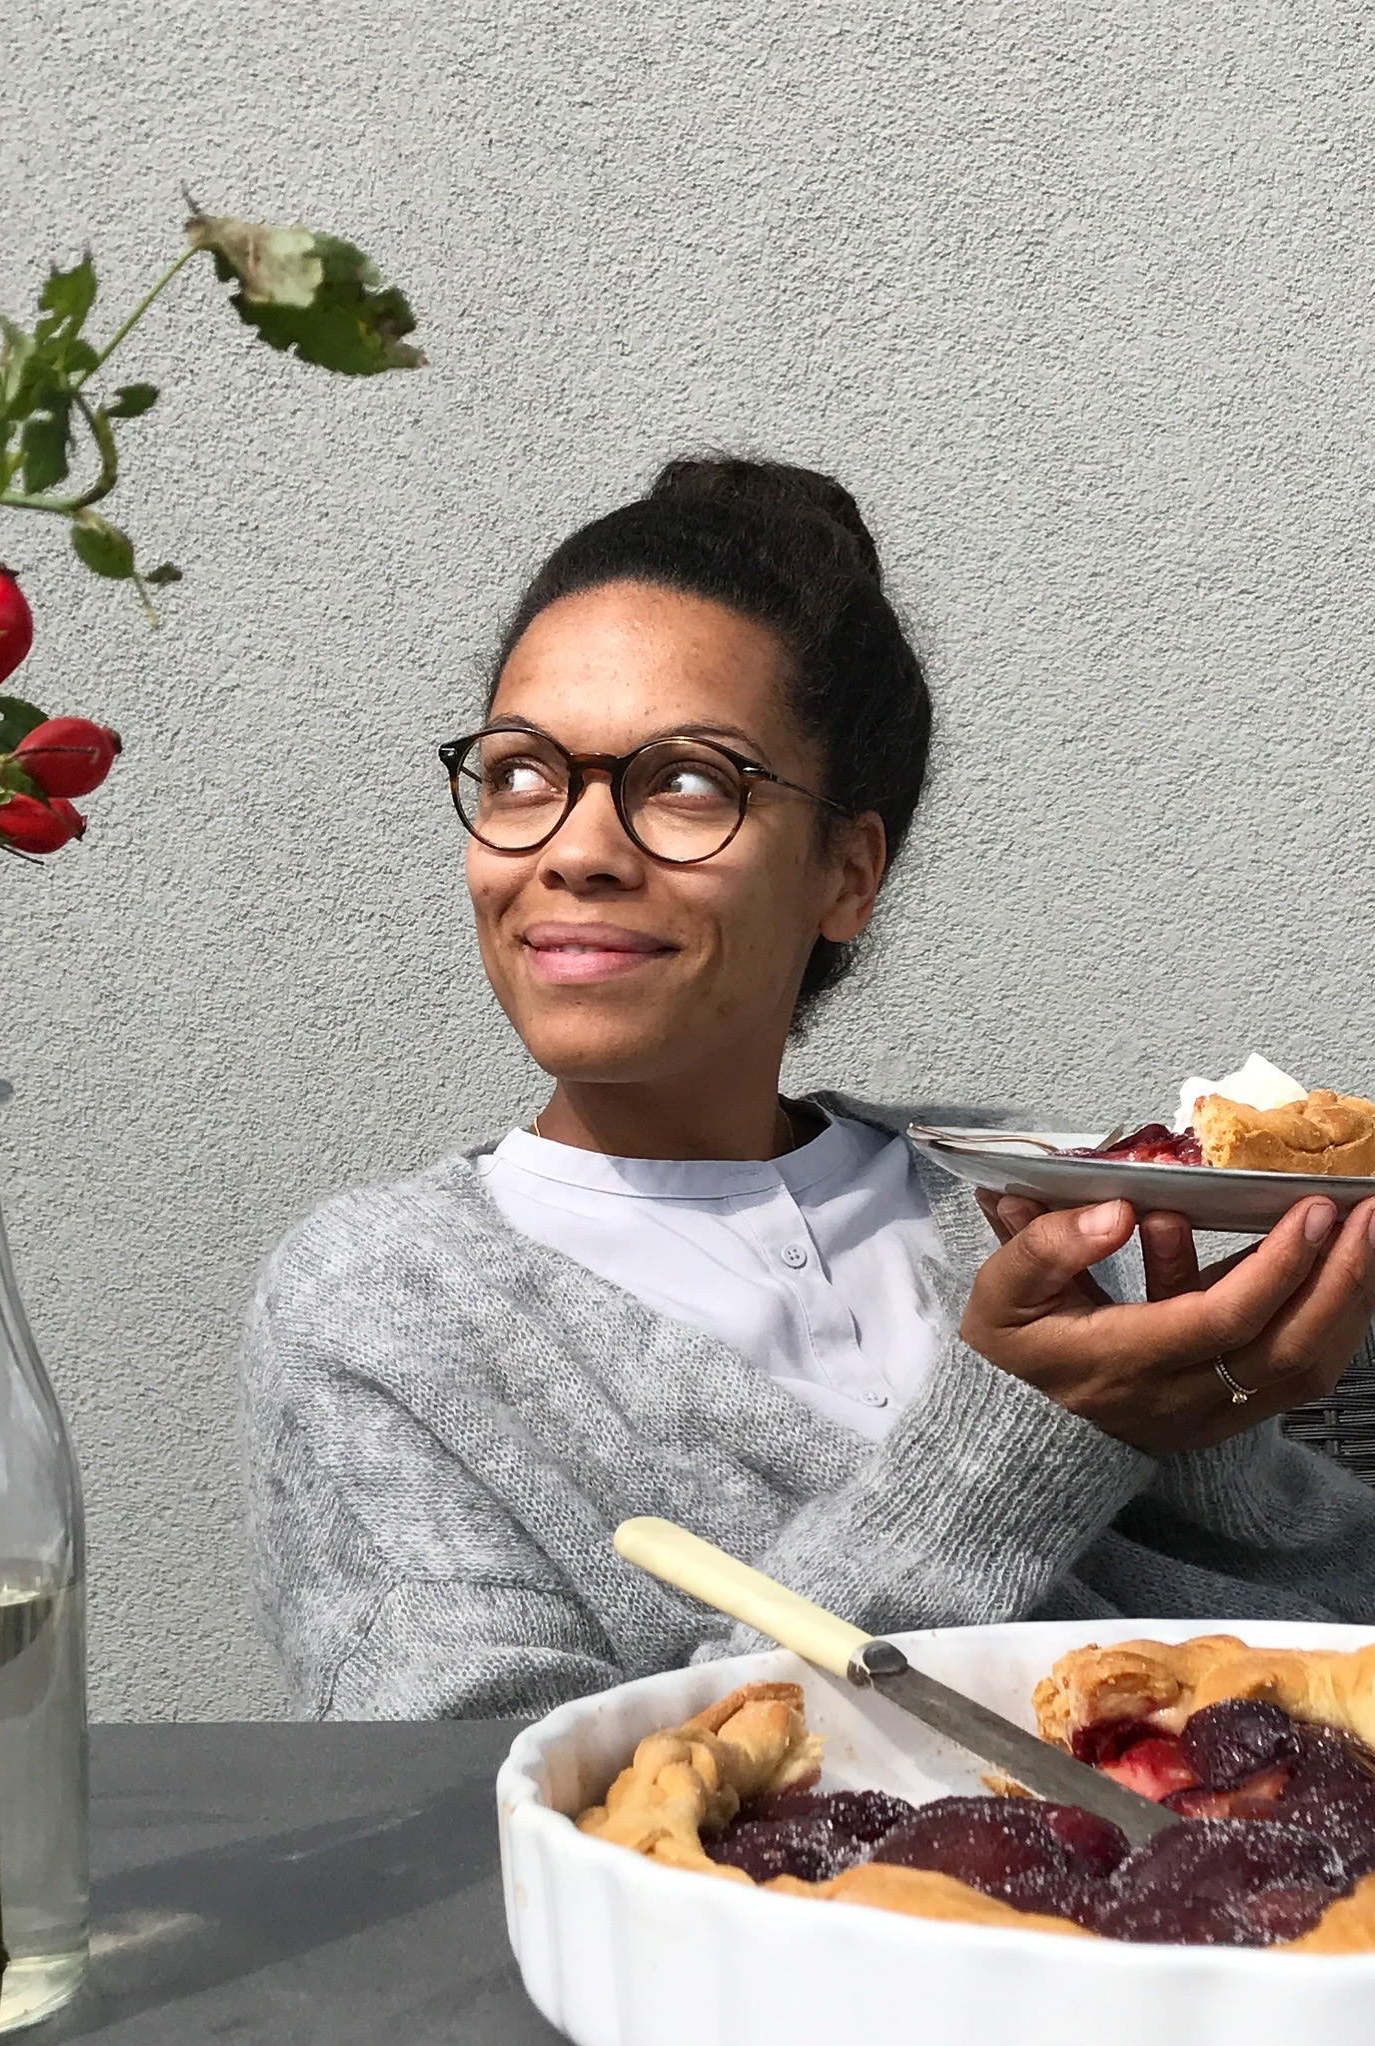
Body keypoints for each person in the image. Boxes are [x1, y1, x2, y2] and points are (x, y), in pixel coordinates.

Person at [238, 454, 1375, 1720]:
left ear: (847, 872)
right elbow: (480, 1794)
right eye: (519, 773)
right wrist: (1017, 1439)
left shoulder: (1028, 1196)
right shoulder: (379, 1305)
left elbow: (1313, 1615)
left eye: (687, 781)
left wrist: (1215, 1427)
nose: (577, 848)